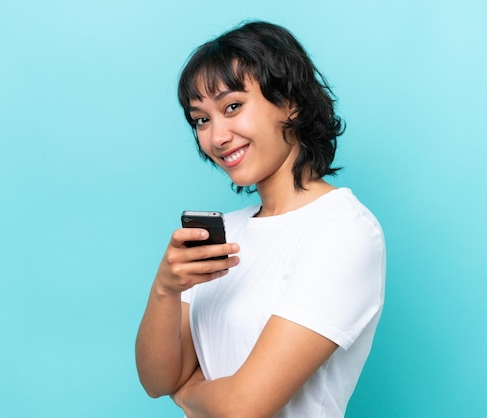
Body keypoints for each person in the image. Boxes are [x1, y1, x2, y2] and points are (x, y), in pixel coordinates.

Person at [135, 20, 386, 418]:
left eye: (232, 107)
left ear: (291, 102)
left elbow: (244, 408)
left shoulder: (342, 232)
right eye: (201, 119)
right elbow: (157, 381)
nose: (216, 137)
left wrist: (189, 395)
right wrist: (165, 289)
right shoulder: (226, 232)